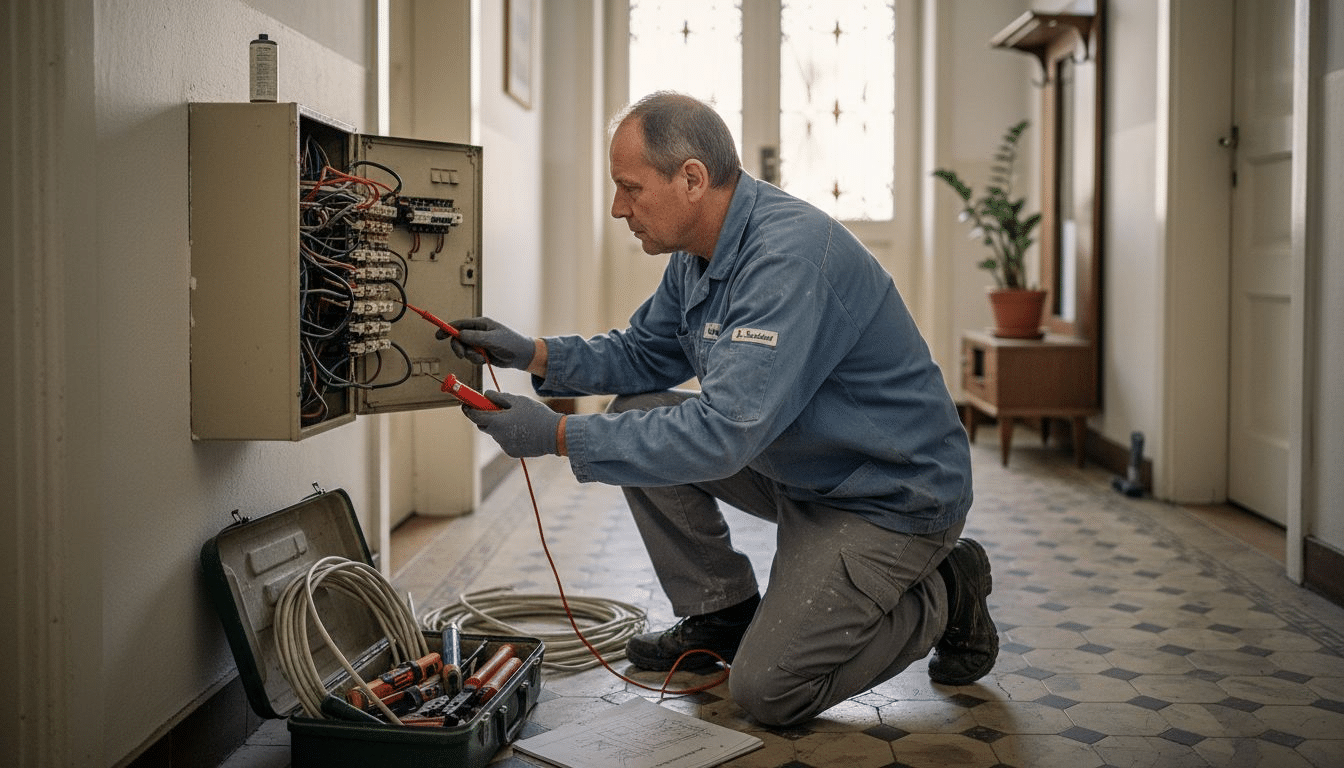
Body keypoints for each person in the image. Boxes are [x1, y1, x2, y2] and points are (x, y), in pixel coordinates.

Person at [440, 91, 997, 728]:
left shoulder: (785, 259)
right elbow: (645, 353)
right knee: (638, 407)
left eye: (630, 188)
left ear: (693, 179)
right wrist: (533, 353)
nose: (619, 208)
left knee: (768, 692)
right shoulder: (699, 254)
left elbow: (724, 432)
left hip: (887, 494)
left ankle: (946, 590)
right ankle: (720, 611)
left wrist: (559, 434)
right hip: (803, 465)